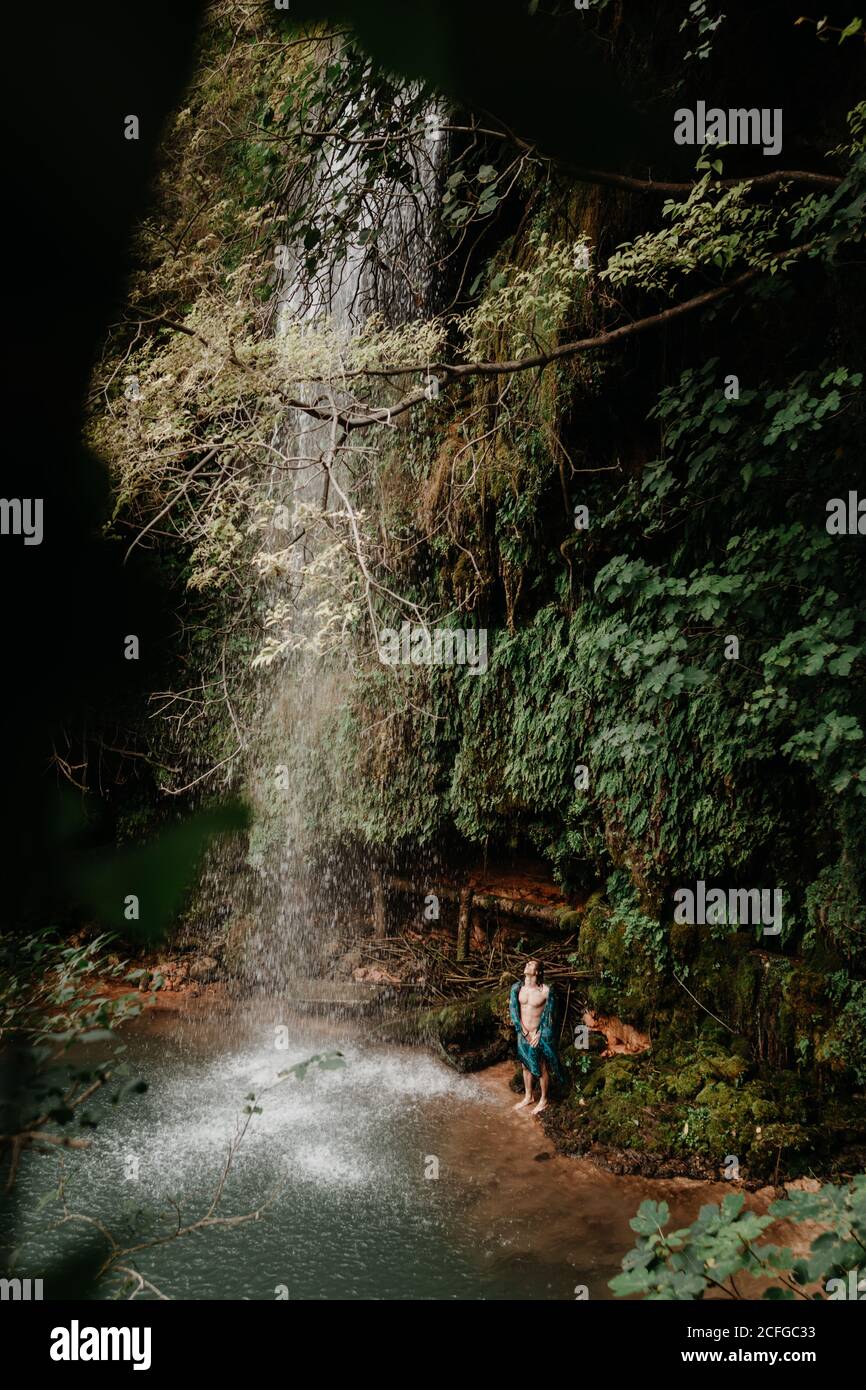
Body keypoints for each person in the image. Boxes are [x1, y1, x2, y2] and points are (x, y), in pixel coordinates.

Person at [509, 959, 564, 1115]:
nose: (527, 964)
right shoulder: (518, 988)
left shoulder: (545, 991)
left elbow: (551, 1017)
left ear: (538, 972)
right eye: (527, 963)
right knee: (525, 1066)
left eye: (531, 964)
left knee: (541, 1067)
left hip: (536, 1035)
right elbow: (514, 1011)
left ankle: (544, 1100)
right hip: (523, 1033)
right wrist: (522, 1030)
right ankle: (528, 1096)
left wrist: (540, 1034)